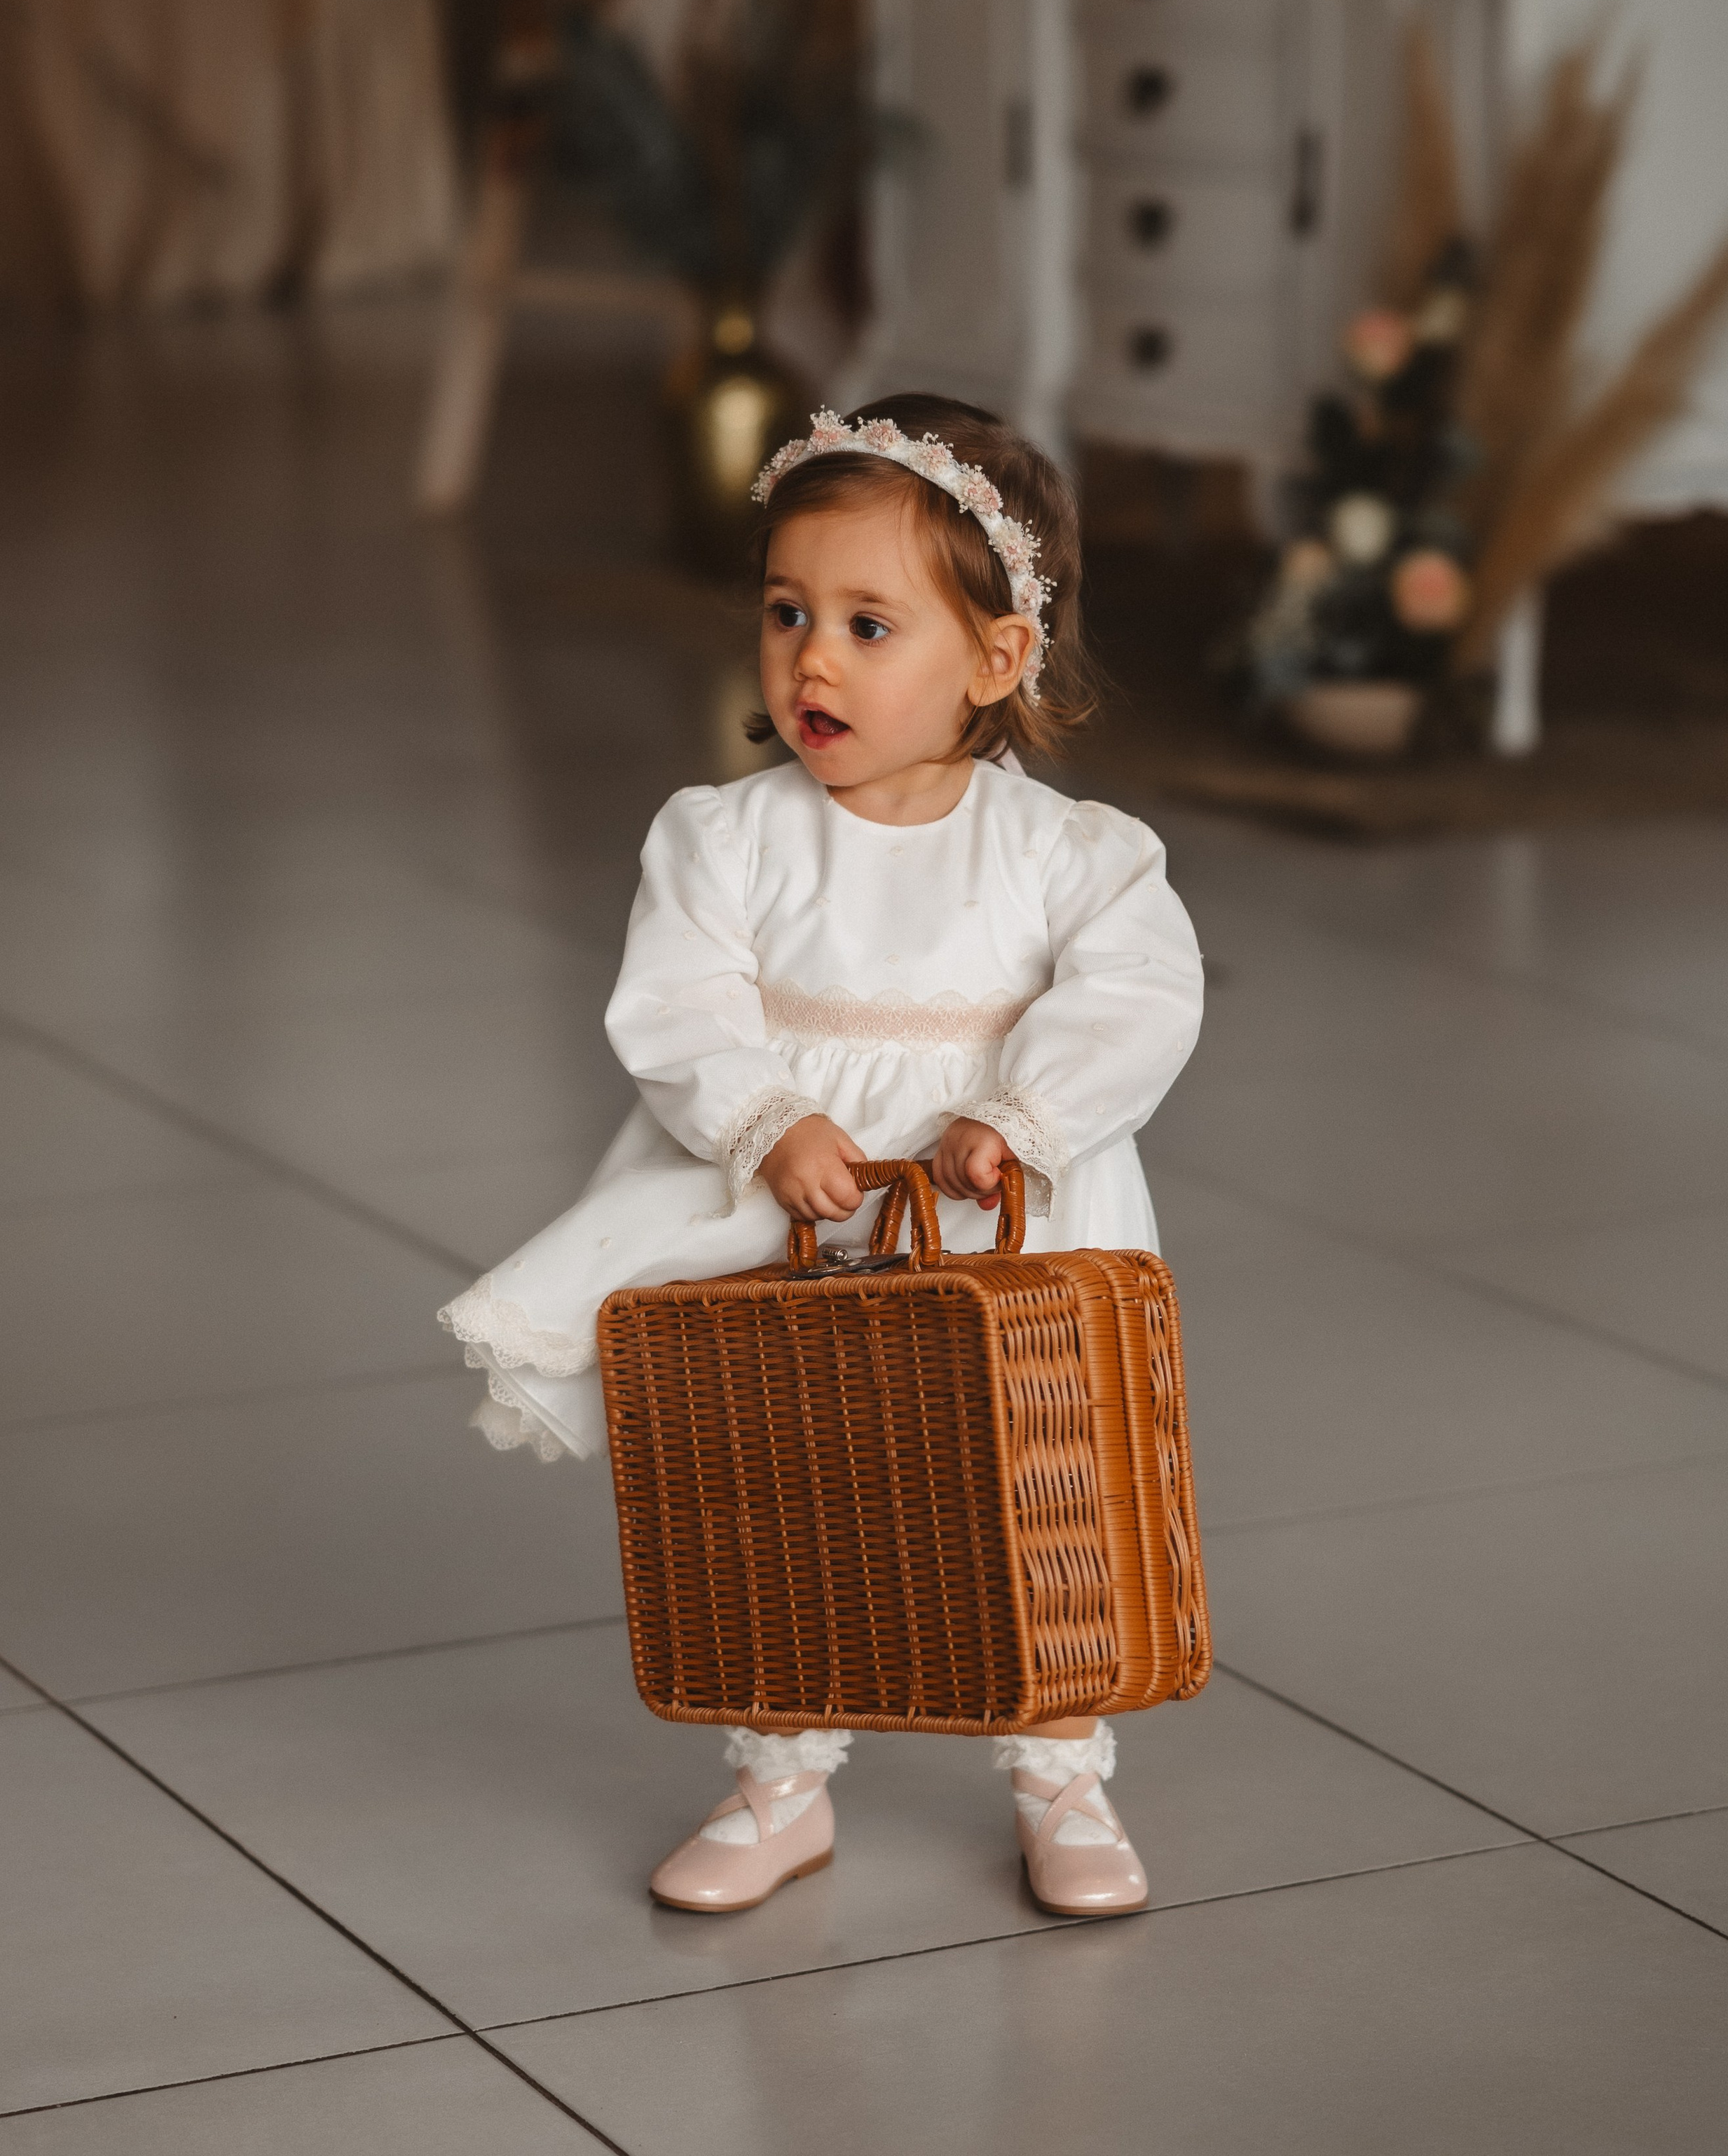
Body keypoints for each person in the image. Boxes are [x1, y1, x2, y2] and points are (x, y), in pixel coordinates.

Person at [440, 393, 1204, 1918]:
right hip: (789, 1217)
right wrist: (764, 1117)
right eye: (788, 612)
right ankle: (778, 1779)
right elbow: (676, 1005)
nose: (810, 659)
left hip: (1001, 1227)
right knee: (783, 1485)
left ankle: (1060, 1772)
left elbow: (1138, 995)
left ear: (994, 660)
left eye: (870, 625)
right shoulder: (723, 841)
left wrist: (1019, 1116)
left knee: (1024, 1483)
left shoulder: (1067, 855)